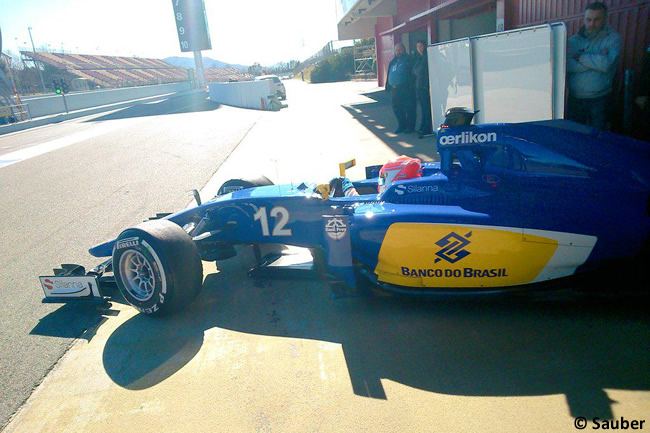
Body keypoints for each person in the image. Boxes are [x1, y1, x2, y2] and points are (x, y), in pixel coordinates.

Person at [566, 2, 622, 130]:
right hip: (575, 99)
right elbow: (567, 65)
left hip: (600, 99)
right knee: (575, 133)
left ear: (605, 18)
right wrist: (596, 61)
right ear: (584, 19)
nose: (592, 23)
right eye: (588, 19)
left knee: (598, 136)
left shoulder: (613, 39)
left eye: (597, 19)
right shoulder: (573, 41)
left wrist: (580, 57)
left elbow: (606, 64)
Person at [385, 43, 416, 133]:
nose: (398, 52)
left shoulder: (409, 59)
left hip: (406, 89)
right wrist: (388, 85)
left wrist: (410, 85)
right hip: (395, 89)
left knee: (409, 108)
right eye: (396, 50)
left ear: (404, 49)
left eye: (400, 50)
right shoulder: (393, 61)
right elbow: (389, 73)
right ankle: (402, 126)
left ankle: (410, 127)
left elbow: (412, 74)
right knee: (397, 108)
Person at [412, 40, 433, 137]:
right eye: (417, 46)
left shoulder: (427, 57)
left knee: (427, 108)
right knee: (423, 108)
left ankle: (427, 128)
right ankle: (423, 126)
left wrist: (426, 85)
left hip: (425, 87)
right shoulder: (419, 58)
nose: (419, 48)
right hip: (419, 87)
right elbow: (415, 71)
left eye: (421, 46)